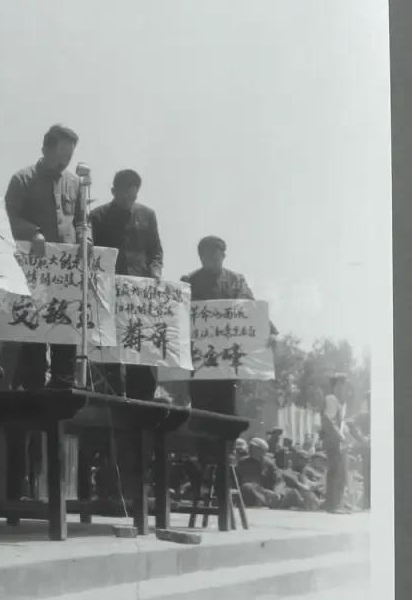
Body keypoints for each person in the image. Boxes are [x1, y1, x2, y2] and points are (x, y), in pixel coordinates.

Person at [4, 125, 86, 391]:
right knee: (33, 339)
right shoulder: (22, 179)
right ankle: (32, 389)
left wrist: (86, 239)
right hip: (33, 278)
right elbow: (7, 218)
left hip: (66, 277)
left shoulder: (75, 183)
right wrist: (33, 233)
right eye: (60, 156)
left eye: (69, 157)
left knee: (65, 335)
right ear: (45, 149)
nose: (64, 163)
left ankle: (63, 387)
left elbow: (83, 222)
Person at [89, 169, 163, 400]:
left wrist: (156, 271)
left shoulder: (148, 215)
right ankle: (111, 398)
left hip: (140, 298)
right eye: (124, 197)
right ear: (113, 191)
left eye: (133, 198)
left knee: (140, 350)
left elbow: (156, 252)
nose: (129, 202)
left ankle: (143, 401)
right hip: (109, 295)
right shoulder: (98, 217)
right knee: (111, 352)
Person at [181, 236, 277, 415]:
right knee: (200, 412)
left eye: (214, 256)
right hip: (199, 362)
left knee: (226, 411)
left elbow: (251, 307)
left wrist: (270, 332)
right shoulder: (189, 281)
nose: (210, 259)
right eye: (205, 256)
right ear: (200, 257)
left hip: (227, 360)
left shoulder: (236, 281)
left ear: (223, 256)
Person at [322, 374, 353, 513]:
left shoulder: (341, 402)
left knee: (340, 473)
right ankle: (332, 505)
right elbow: (328, 421)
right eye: (342, 385)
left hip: (339, 442)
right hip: (334, 441)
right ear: (336, 385)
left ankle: (337, 503)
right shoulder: (331, 399)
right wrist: (340, 436)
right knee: (335, 472)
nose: (344, 388)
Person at [235, 437, 283, 508]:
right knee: (247, 486)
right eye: (250, 446)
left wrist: (277, 492)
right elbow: (236, 478)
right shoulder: (242, 462)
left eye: (254, 447)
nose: (250, 449)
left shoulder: (269, 464)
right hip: (244, 493)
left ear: (262, 450)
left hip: (262, 493)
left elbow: (279, 480)